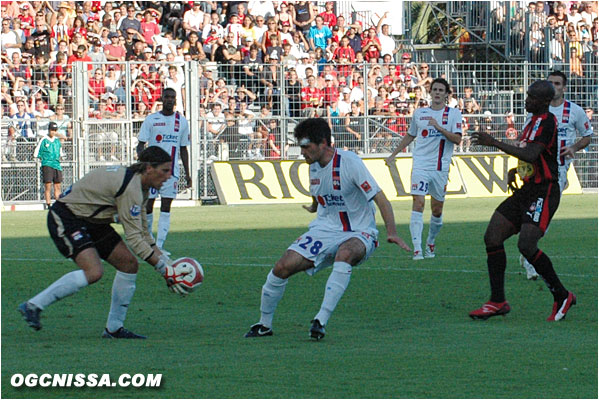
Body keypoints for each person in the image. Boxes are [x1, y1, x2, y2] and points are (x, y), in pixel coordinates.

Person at [245, 118, 410, 340]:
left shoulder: (350, 162)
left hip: (359, 231)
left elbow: (381, 199)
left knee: (346, 253)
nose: (301, 152)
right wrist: (314, 206)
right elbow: (318, 190)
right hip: (324, 230)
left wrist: (392, 232)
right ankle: (264, 324)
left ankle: (320, 320)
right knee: (282, 267)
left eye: (306, 146)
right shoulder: (312, 166)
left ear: (323, 143)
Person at [18, 147, 190, 337]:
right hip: (67, 217)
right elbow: (134, 239)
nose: (168, 176)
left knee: (128, 264)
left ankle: (114, 328)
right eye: (165, 170)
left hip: (92, 221)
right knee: (94, 272)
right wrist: (164, 270)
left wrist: (168, 265)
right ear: (149, 168)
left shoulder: (139, 187)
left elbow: (143, 234)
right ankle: (33, 305)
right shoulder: (131, 187)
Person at [469, 80, 576, 322]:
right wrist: (517, 171)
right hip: (526, 189)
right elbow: (530, 156)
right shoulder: (531, 122)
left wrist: (494, 142)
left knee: (527, 245)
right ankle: (497, 301)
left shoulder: (547, 122)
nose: (526, 100)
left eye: (531, 97)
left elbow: (531, 153)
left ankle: (562, 296)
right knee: (492, 236)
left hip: (544, 191)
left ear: (544, 101)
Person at [519, 70, 594, 280]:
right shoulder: (536, 111)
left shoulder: (574, 111)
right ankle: (528, 253)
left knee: (543, 213)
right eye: (551, 83)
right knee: (538, 212)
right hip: (537, 168)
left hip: (559, 169)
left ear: (564, 87)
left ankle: (528, 253)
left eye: (558, 84)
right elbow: (524, 135)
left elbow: (587, 136)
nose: (554, 87)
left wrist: (573, 147)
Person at [385, 78, 462, 260]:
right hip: (420, 165)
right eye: (434, 89)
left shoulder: (453, 114)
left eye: (440, 90)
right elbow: (410, 135)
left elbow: (457, 139)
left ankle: (430, 241)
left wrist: (439, 128)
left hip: (440, 167)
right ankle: (417, 248)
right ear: (430, 92)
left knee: (437, 210)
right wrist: (393, 154)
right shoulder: (419, 114)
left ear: (446, 94)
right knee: (418, 203)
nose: (437, 93)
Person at [137, 88, 191, 255]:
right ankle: (149, 241)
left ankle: (160, 245)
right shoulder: (152, 119)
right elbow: (140, 145)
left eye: (172, 97)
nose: (169, 100)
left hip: (171, 173)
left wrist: (187, 173)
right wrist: (143, 165)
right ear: (162, 98)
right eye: (167, 97)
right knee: (148, 205)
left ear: (175, 100)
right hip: (152, 173)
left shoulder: (181, 122)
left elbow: (183, 149)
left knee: (166, 206)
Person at [34, 122, 62, 209]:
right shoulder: (44, 140)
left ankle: (58, 205)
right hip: (47, 164)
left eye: (55, 130)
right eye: (52, 130)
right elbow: (36, 152)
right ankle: (48, 204)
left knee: (57, 186)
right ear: (49, 130)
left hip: (56, 165)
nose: (53, 132)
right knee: (48, 185)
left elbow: (60, 152)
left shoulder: (57, 141)